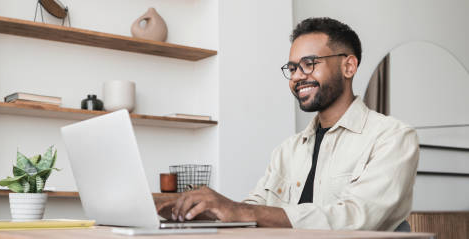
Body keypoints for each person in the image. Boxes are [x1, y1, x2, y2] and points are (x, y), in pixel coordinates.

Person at [156, 17, 419, 231]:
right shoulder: (288, 150)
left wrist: (242, 211)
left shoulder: (392, 137)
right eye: (292, 68)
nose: (297, 77)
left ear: (348, 66)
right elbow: (252, 210)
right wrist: (195, 209)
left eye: (309, 64)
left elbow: (357, 217)